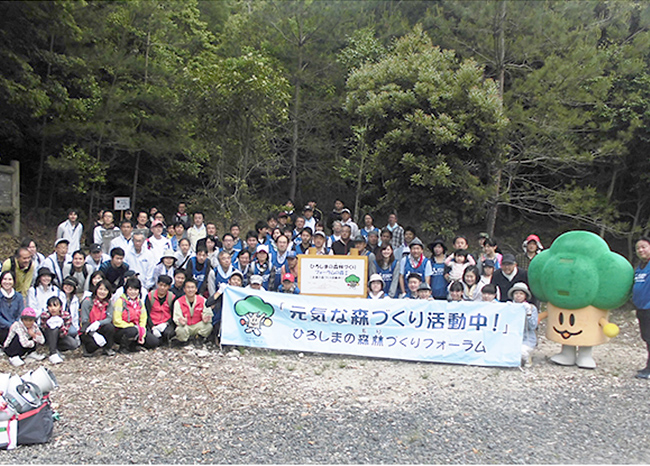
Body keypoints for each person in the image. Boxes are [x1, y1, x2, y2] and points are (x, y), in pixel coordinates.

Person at [113, 277, 156, 352]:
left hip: (138, 328)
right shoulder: (120, 302)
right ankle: (123, 347)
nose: (133, 292)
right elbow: (116, 321)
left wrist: (141, 331)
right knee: (132, 331)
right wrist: (132, 326)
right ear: (126, 290)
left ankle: (135, 344)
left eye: (135, 290)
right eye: (130, 289)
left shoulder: (140, 302)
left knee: (154, 342)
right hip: (122, 330)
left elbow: (143, 318)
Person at [40, 296, 79, 364]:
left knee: (73, 344)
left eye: (55, 306)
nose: (53, 308)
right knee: (53, 329)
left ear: (60, 307)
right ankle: (53, 353)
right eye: (50, 306)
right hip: (49, 335)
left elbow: (65, 332)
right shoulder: (45, 316)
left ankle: (56, 348)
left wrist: (60, 327)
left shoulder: (66, 315)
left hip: (61, 336)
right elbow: (44, 328)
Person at [174, 278, 212, 346]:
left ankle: (198, 338)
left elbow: (208, 314)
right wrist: (180, 321)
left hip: (197, 325)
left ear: (196, 289)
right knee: (180, 329)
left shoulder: (203, 300)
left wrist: (206, 319)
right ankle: (184, 341)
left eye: (192, 287)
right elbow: (176, 316)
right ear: (184, 289)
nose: (190, 290)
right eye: (188, 287)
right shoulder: (178, 302)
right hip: (186, 325)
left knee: (208, 326)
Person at [508, 282, 538, 367]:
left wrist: (528, 314)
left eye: (521, 293)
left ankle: (528, 359)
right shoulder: (508, 306)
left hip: (527, 338)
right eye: (516, 293)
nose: (518, 295)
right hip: (511, 337)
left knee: (522, 352)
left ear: (525, 296)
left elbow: (533, 326)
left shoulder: (532, 308)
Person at [633, 237, 650, 379]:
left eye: (644, 247)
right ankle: (648, 367)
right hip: (642, 308)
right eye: (638, 248)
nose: (640, 250)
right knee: (647, 338)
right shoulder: (640, 267)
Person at [145, 275, 176, 347]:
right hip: (152, 323)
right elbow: (147, 313)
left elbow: (173, 314)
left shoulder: (172, 297)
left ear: (169, 287)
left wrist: (166, 323)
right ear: (157, 284)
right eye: (161, 285)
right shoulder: (150, 296)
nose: (162, 288)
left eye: (165, 286)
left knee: (168, 334)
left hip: (165, 323)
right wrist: (152, 326)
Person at [0, 271, 23, 344]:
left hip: (17, 327)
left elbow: (20, 313)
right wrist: (10, 325)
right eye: (4, 279)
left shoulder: (19, 297)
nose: (7, 282)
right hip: (2, 327)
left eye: (10, 279)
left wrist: (16, 324)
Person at [61, 276, 81, 342]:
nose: (68, 287)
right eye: (66, 285)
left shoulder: (75, 299)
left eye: (71, 286)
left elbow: (75, 316)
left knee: (73, 331)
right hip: (58, 321)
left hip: (69, 322)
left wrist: (77, 328)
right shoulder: (58, 295)